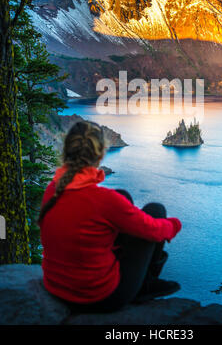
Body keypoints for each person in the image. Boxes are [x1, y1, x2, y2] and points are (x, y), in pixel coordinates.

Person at [38, 120, 182, 313]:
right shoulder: (103, 200)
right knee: (155, 211)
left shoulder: (52, 190)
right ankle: (145, 285)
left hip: (55, 286)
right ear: (99, 155)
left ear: (67, 151)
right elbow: (155, 231)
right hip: (99, 297)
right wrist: (174, 224)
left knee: (123, 196)